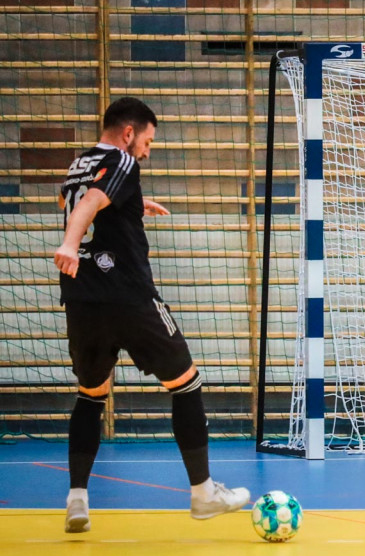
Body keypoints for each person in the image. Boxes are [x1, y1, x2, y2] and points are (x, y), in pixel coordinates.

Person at [54, 97, 249, 533]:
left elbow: (85, 201)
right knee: (187, 384)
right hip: (128, 298)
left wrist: (133, 205)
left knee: (90, 394)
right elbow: (90, 207)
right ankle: (202, 495)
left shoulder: (78, 165)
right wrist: (69, 243)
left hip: (83, 300)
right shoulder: (122, 160)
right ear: (128, 133)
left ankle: (77, 500)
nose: (146, 150)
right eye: (147, 140)